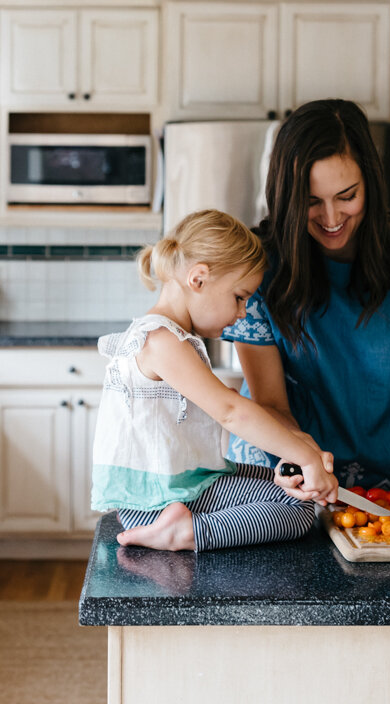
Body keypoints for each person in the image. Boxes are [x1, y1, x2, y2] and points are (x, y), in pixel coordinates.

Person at [222, 99, 390, 512]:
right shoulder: (259, 267)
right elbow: (270, 404)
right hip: (280, 492)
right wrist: (303, 463)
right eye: (310, 201)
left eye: (346, 196)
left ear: (370, 181)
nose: (331, 217)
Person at [90, 209, 339, 552]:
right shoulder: (161, 340)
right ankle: (188, 532)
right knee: (298, 509)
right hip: (154, 505)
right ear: (199, 279)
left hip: (174, 489)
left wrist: (300, 451)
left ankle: (185, 525)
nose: (242, 313)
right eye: (239, 297)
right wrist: (308, 459)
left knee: (280, 484)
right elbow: (231, 411)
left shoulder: (170, 337)